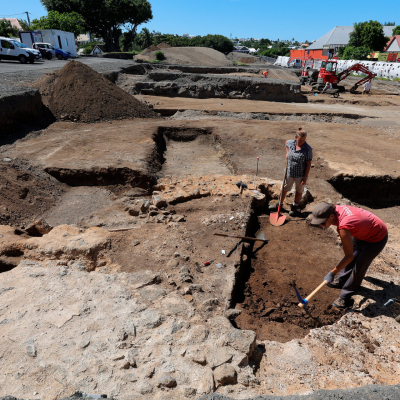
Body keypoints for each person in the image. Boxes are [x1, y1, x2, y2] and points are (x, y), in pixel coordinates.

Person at [311, 202, 388, 309]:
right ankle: (342, 280)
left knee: (360, 265)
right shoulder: (334, 210)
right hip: (363, 231)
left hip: (377, 236)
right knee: (353, 253)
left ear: (331, 216)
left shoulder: (343, 226)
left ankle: (345, 296)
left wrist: (332, 273)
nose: (321, 225)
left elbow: (348, 257)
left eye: (322, 222)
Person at [269, 128, 313, 216]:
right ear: (296, 137)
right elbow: (286, 142)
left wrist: (305, 177)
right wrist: (287, 152)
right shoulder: (290, 143)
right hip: (289, 172)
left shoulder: (308, 149)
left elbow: (308, 164)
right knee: (284, 189)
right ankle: (279, 204)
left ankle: (294, 208)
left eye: (304, 140)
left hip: (300, 174)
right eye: (300, 140)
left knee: (299, 191)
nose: (302, 142)